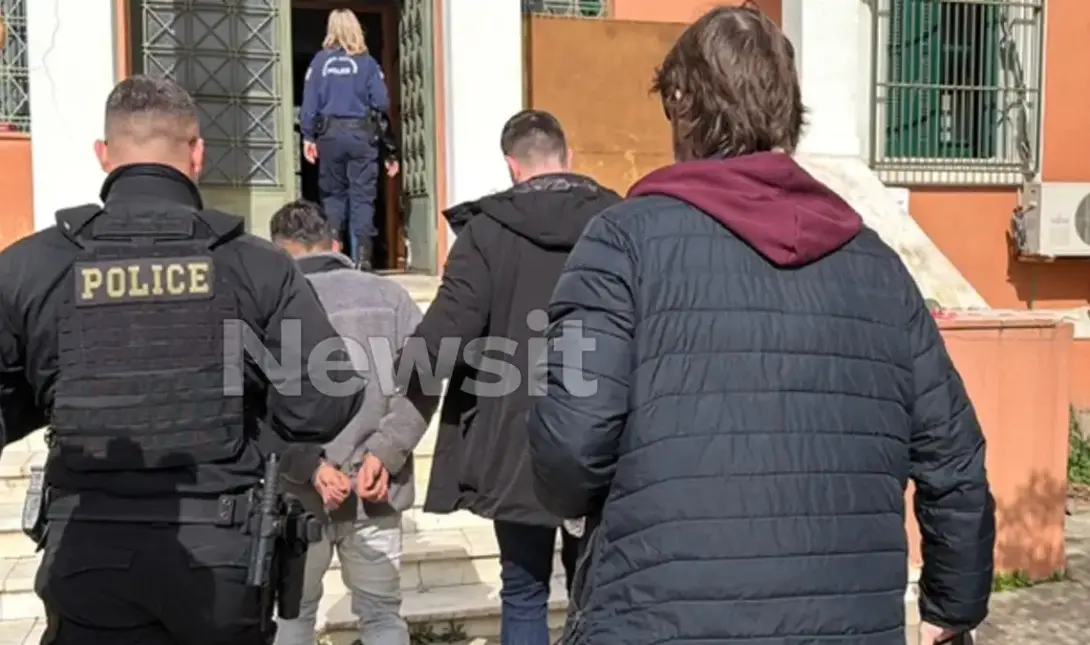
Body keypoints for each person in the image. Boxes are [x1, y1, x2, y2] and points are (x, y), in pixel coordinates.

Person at [526, 6, 996, 645]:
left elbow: (569, 447)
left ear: (680, 104)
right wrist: (954, 604)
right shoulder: (879, 269)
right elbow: (954, 457)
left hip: (659, 618)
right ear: (788, 111)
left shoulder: (620, 243)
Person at [0, 75, 365, 645]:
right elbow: (322, 404)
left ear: (103, 154)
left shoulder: (31, 265)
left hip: (88, 553)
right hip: (218, 558)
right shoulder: (255, 264)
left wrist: (59, 396)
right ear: (197, 152)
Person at [399, 109, 621, 645]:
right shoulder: (619, 222)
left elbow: (441, 338)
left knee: (523, 590)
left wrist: (401, 372)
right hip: (606, 431)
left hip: (518, 440)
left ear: (512, 166)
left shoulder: (487, 232)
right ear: (568, 157)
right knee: (598, 592)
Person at [269, 200, 427, 645]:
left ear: (278, 251)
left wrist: (312, 466)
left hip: (300, 493)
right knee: (382, 616)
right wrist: (384, 453)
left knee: (293, 616)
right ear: (336, 245)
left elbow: (259, 405)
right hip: (375, 487)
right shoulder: (391, 297)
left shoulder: (270, 304)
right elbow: (423, 385)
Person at [300, 8, 399, 271]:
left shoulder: (320, 62)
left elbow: (309, 104)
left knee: (333, 197)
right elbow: (382, 102)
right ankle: (363, 260)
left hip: (330, 136)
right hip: (361, 136)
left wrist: (308, 136)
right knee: (362, 198)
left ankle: (334, 259)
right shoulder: (367, 63)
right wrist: (389, 149)